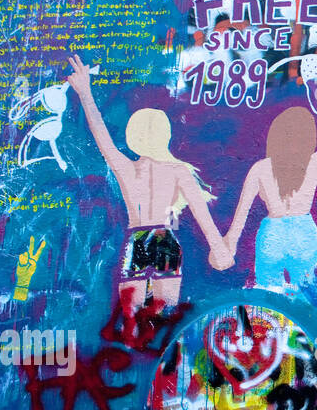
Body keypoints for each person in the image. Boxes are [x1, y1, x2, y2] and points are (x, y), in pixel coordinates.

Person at [64, 55, 233, 323]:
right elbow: (203, 215)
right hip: (165, 241)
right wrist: (219, 248)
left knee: (132, 319)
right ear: (165, 136)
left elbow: (102, 137)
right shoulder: (179, 171)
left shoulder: (127, 169)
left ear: (134, 137)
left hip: (137, 240)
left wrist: (85, 93)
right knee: (165, 319)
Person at [224, 64, 317, 293]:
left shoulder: (260, 168)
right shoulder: (312, 163)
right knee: (303, 293)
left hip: (271, 233)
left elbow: (241, 213)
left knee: (268, 294)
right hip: (304, 231)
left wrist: (229, 244)